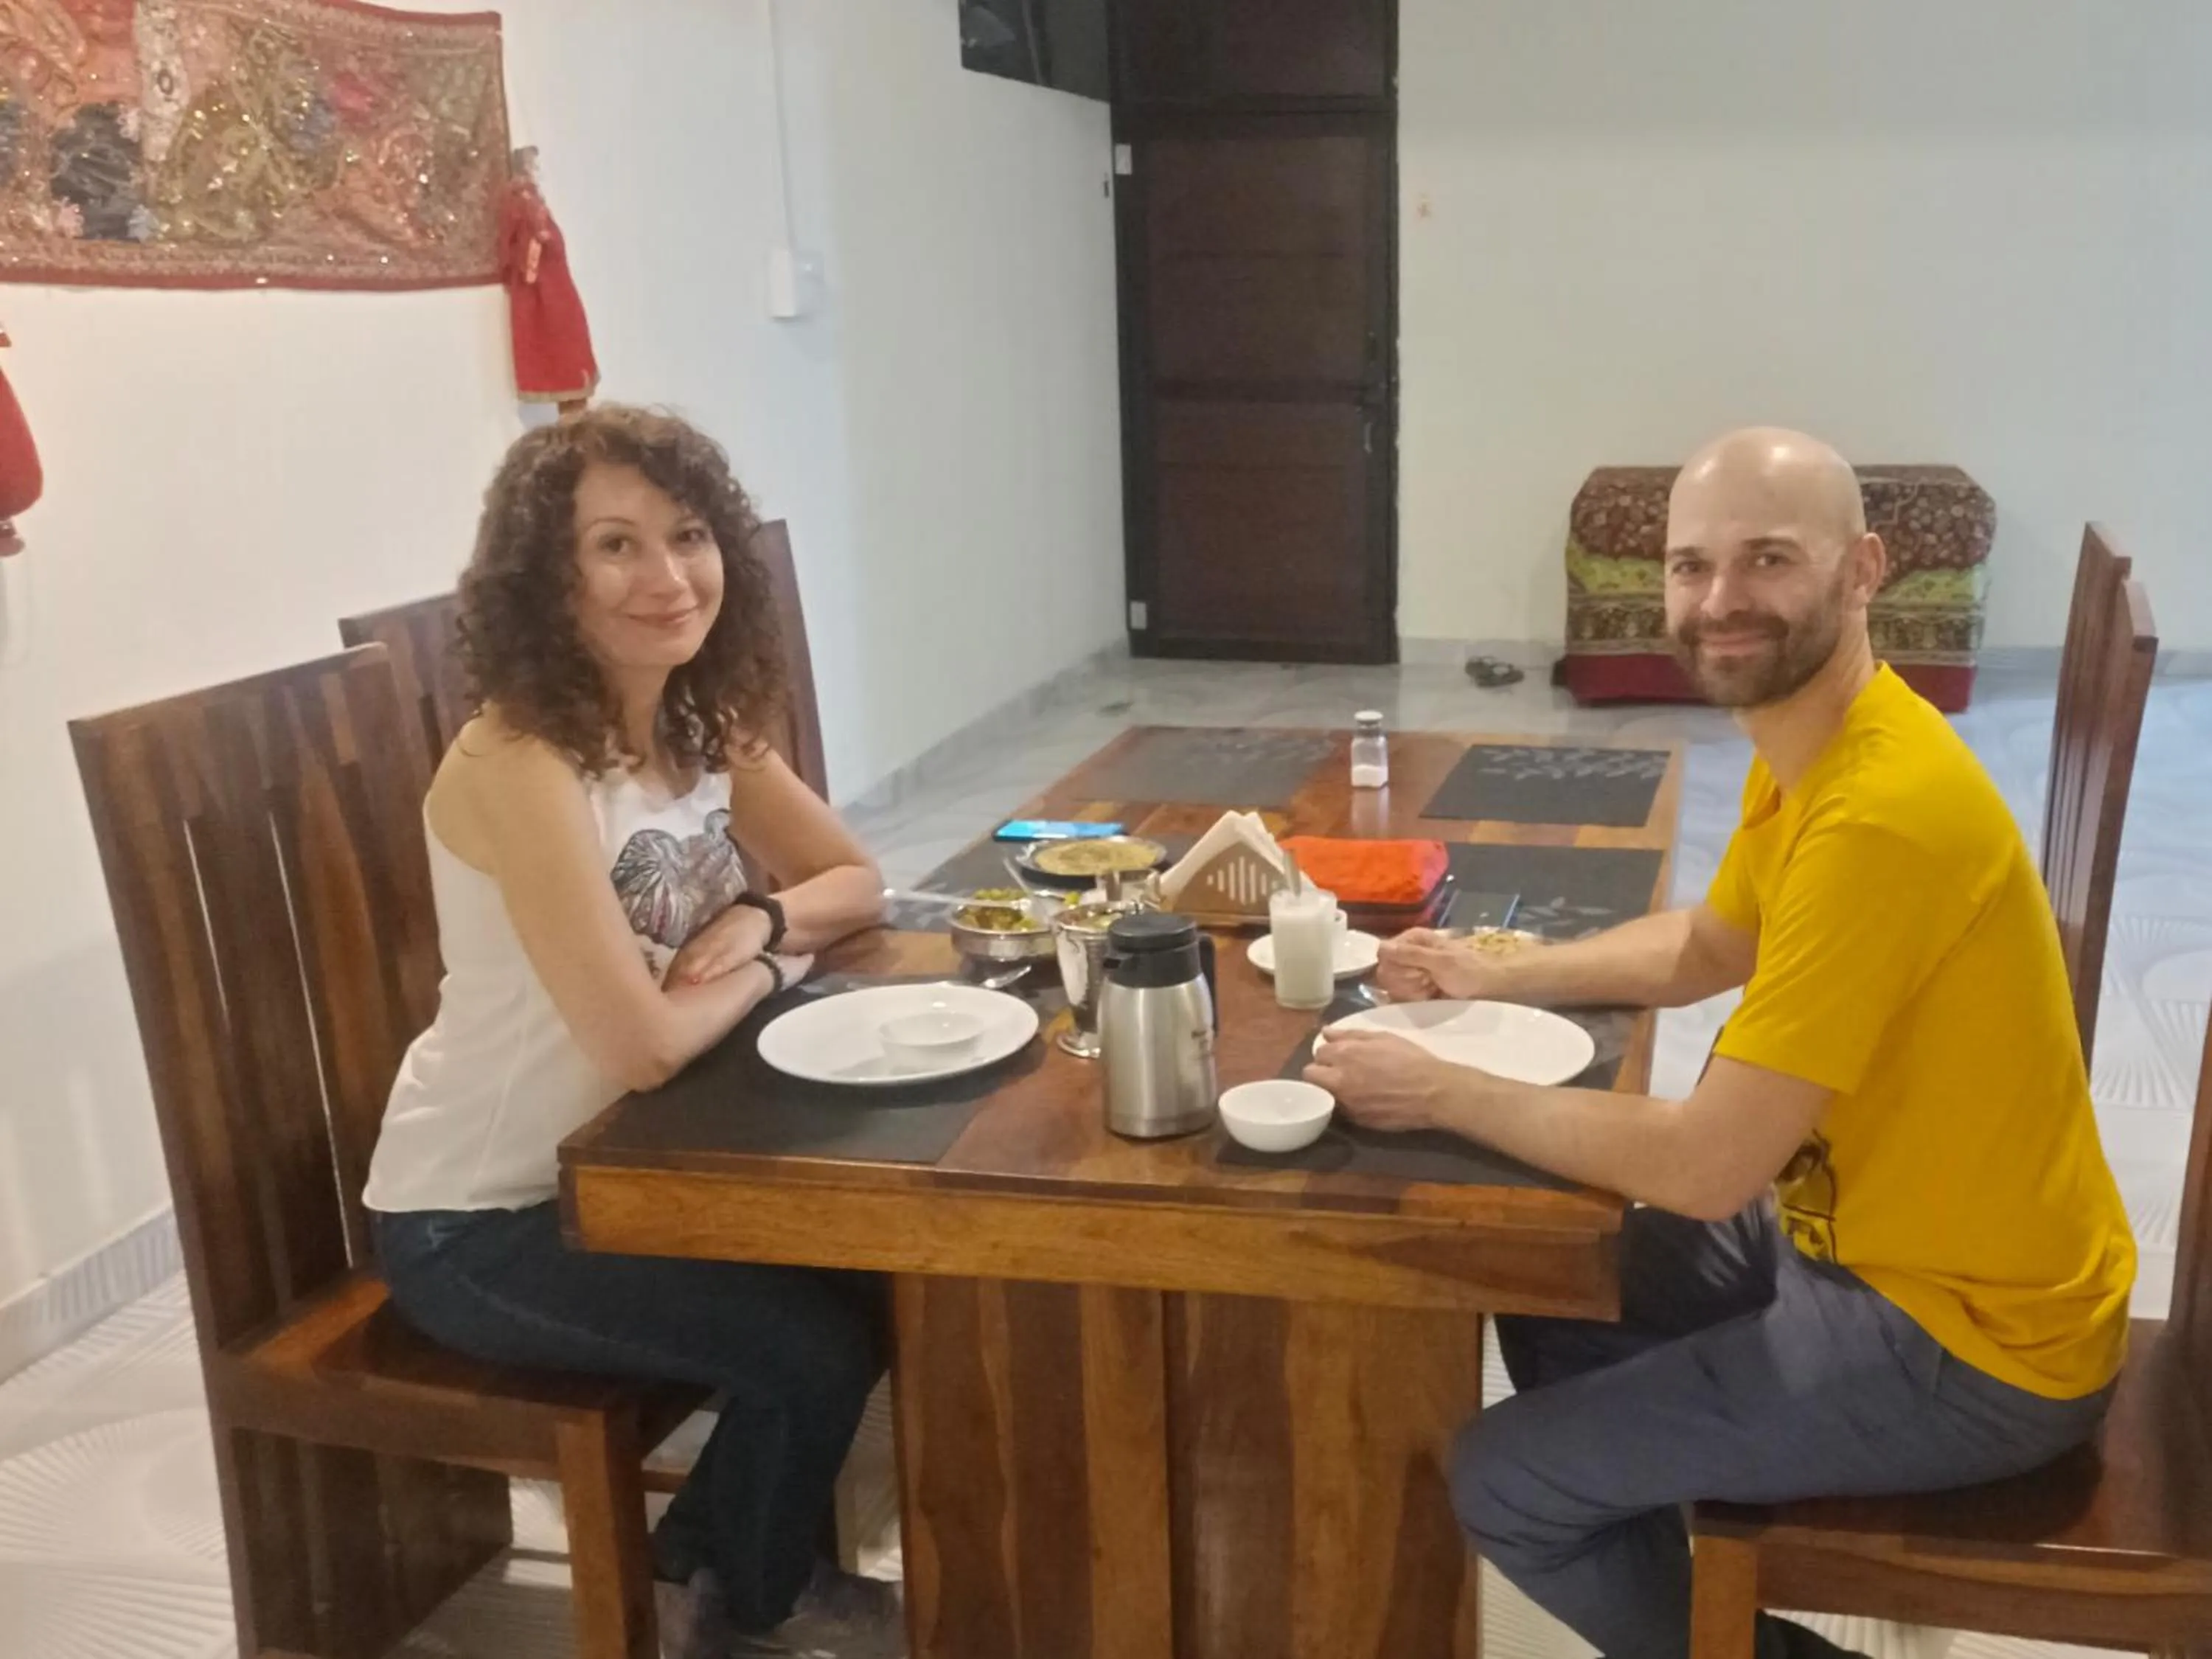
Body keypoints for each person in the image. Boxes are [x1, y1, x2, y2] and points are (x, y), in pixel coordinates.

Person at [1307, 428, 2135, 1659]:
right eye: (1692, 567)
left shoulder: (1880, 817)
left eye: (1767, 560)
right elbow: (1709, 942)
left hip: (1973, 1336)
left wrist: (1441, 1084)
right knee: (1548, 1278)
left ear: (1864, 569)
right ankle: (1688, 1547)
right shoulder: (1823, 738)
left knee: (1508, 1481)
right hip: (1862, 1234)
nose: (1720, 600)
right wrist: (1506, 966)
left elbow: (1707, 1165)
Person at [362, 406, 897, 1659]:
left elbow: (857, 880)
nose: (667, 577)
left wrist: (764, 913)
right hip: (484, 1218)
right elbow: (643, 1047)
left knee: (881, 1273)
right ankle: (750, 1607)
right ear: (545, 579)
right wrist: (772, 962)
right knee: (812, 1351)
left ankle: (705, 1557)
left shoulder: (697, 723)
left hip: (634, 1170)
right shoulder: (520, 762)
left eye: (688, 534)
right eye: (615, 545)